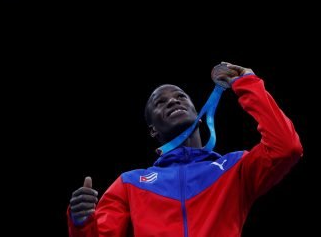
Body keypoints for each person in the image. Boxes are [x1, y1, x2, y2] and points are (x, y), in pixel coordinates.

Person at [67, 62, 303, 237]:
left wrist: (247, 83)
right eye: (160, 102)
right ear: (152, 130)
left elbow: (286, 147)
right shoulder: (130, 184)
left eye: (181, 96)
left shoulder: (234, 168)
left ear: (199, 116)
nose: (172, 101)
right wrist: (81, 222)